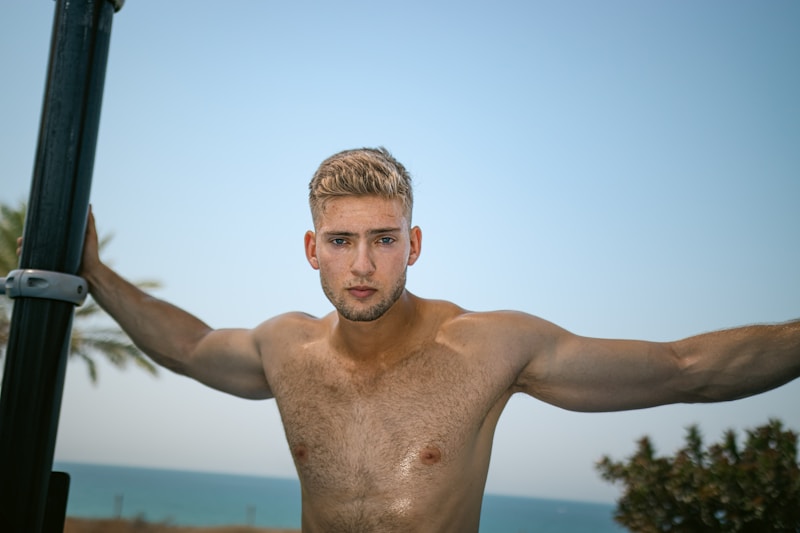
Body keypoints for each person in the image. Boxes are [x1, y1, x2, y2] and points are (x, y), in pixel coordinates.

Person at [76, 147, 798, 532]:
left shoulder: (489, 347)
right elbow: (190, 346)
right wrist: (97, 274)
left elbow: (686, 368)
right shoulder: (283, 349)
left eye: (384, 239)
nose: (362, 264)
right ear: (312, 247)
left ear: (414, 242)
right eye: (343, 240)